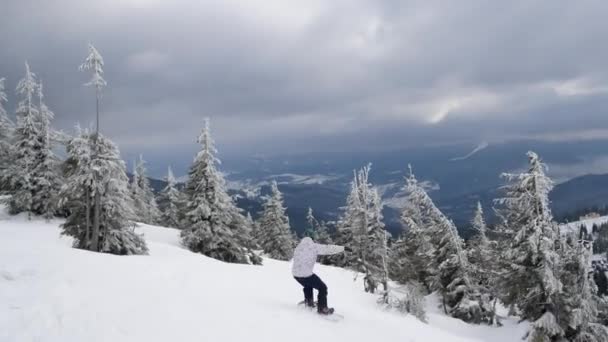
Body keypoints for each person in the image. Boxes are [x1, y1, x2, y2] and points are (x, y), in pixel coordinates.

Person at [292, 237, 345, 315]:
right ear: (311, 241)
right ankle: (322, 308)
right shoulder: (313, 246)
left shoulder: (298, 247)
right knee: (322, 287)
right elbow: (328, 249)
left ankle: (309, 301)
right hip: (306, 274)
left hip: (296, 275)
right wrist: (343, 248)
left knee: (307, 285)